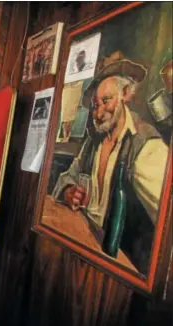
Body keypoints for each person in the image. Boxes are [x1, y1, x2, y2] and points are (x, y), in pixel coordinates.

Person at [51, 55, 169, 274]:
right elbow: (67, 177)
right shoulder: (92, 142)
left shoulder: (146, 147)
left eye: (106, 101)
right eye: (95, 105)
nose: (99, 111)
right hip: (86, 244)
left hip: (121, 265)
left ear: (125, 95)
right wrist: (68, 191)